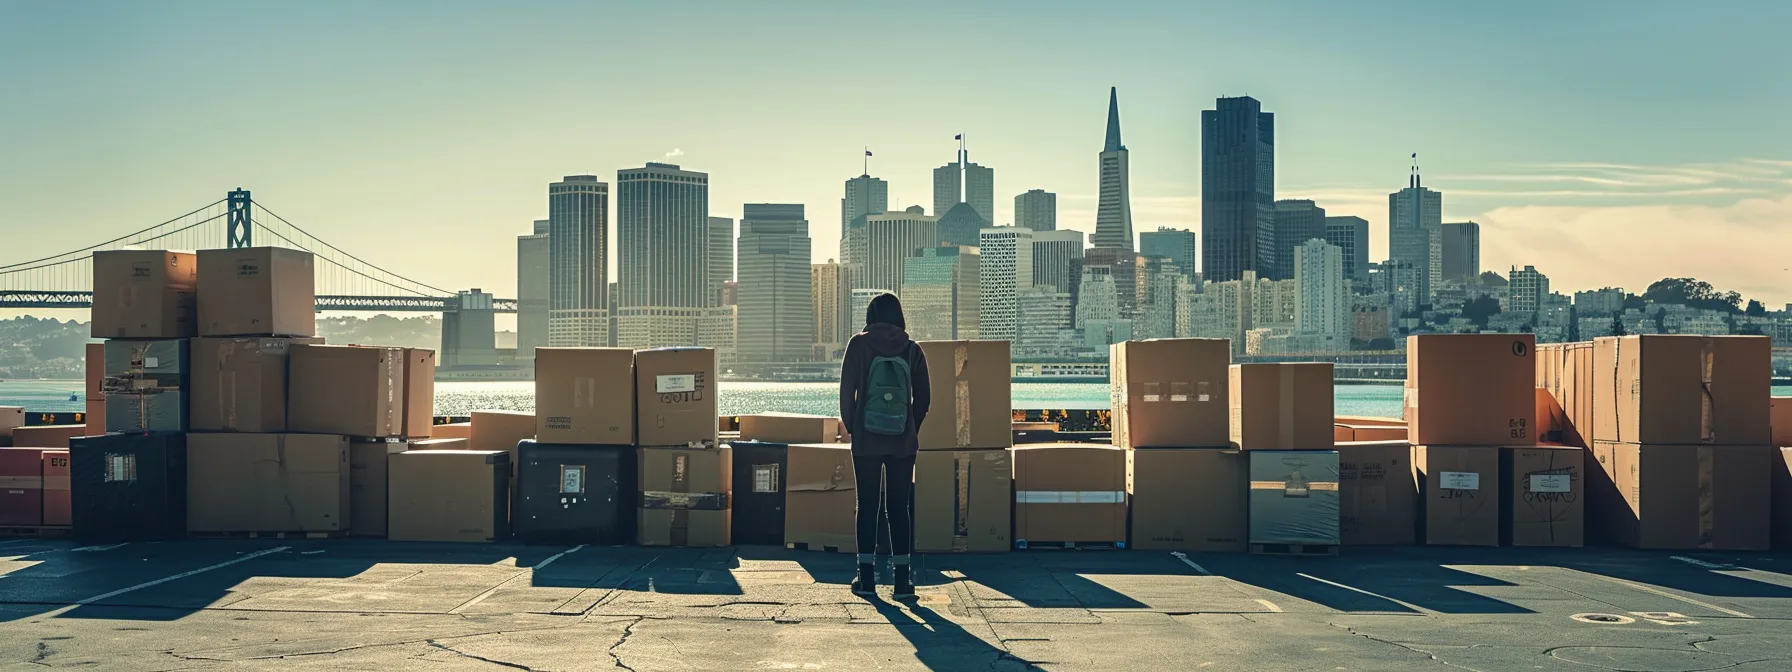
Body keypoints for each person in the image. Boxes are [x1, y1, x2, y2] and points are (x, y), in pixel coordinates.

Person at [839, 292, 930, 599]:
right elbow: (924, 399)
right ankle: (903, 583)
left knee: (866, 505)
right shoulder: (912, 349)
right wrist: (909, 430)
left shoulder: (858, 345)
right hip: (902, 442)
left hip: (866, 440)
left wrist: (856, 429)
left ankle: (866, 579)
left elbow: (846, 395)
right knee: (899, 508)